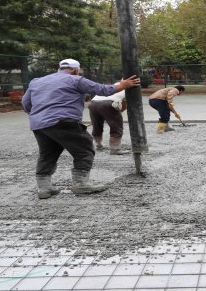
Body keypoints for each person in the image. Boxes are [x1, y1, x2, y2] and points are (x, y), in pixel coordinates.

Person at [21, 59, 140, 199]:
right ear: (76, 70)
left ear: (60, 68)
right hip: (62, 121)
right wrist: (124, 84)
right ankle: (80, 184)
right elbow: (103, 90)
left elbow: (25, 103)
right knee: (84, 149)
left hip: (39, 124)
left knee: (47, 153)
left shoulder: (37, 81)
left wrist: (40, 116)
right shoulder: (76, 80)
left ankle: (44, 188)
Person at [88, 90, 128, 155]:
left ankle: (98, 145)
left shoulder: (114, 85)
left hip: (93, 104)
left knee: (96, 125)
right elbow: (125, 104)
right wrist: (115, 115)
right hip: (108, 104)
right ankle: (115, 149)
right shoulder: (128, 89)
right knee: (116, 126)